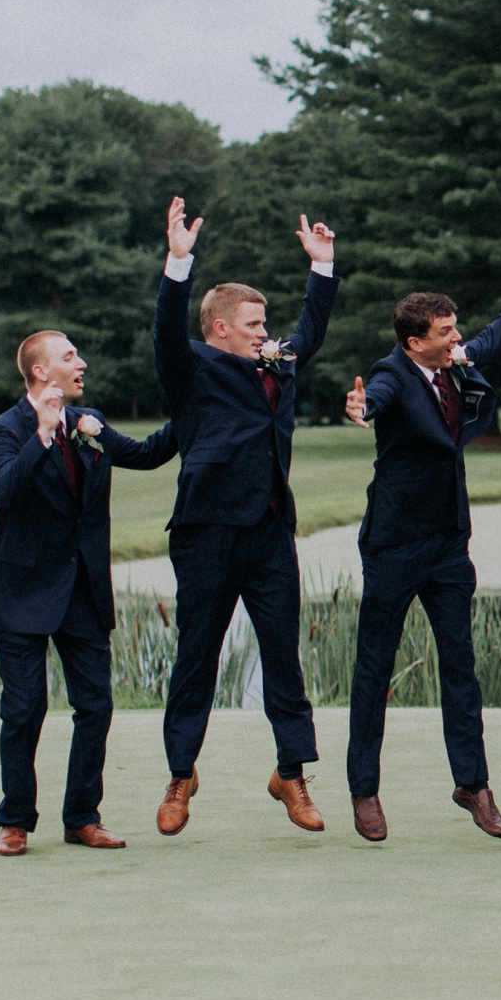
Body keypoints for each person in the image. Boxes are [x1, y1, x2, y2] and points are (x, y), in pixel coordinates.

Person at [339, 244, 501, 844]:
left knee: (460, 666)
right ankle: (364, 789)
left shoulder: (451, 363)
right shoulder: (391, 376)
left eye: (454, 328)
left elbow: (491, 338)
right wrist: (360, 407)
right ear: (415, 342)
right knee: (373, 668)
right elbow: (377, 399)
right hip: (393, 545)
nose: (456, 337)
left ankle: (473, 783)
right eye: (444, 332)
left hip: (448, 546)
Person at [148, 198, 338, 838]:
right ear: (220, 328)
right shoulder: (192, 367)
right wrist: (179, 262)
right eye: (253, 324)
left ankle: (292, 772)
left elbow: (308, 335)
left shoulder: (276, 366)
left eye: (266, 323)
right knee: (196, 655)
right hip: (205, 531)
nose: (265, 331)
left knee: (284, 653)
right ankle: (181, 773)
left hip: (269, 530)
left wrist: (322, 268)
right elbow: (165, 333)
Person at [0, 331, 176, 857]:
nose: (81, 363)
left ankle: (82, 818)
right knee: (24, 710)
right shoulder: (4, 430)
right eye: (69, 357)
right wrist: (42, 435)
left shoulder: (93, 423)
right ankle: (15, 819)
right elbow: (5, 492)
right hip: (20, 590)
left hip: (83, 591)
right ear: (41, 372)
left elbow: (150, 454)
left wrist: (198, 402)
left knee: (96, 706)